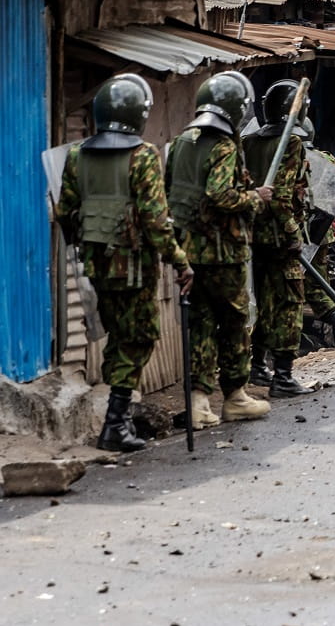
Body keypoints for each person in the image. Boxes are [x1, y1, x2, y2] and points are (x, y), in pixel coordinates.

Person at [54, 75, 192, 453]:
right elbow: (155, 220)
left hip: (97, 267)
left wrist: (87, 246)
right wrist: (180, 262)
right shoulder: (143, 155)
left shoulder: (78, 155)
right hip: (136, 269)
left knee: (119, 333)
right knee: (139, 337)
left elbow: (66, 212)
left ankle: (121, 418)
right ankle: (116, 423)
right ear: (137, 114)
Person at [167, 70, 270, 429]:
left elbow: (172, 194)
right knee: (235, 322)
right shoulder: (224, 146)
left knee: (200, 324)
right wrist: (254, 198)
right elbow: (220, 195)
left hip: (190, 252)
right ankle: (235, 397)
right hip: (223, 252)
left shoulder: (182, 143)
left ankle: (198, 404)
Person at [242, 80, 316, 399]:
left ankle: (257, 364)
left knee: (264, 301)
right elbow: (282, 197)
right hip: (279, 238)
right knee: (288, 304)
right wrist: (292, 234)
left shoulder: (249, 143)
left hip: (255, 236)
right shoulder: (292, 145)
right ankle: (283, 376)